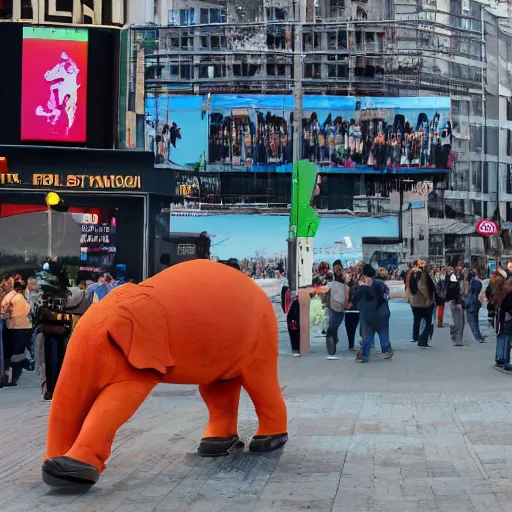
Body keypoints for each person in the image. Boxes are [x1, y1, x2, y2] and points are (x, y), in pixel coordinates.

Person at [356, 264, 392, 363]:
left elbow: (357, 299)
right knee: (383, 332)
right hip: (382, 313)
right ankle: (386, 350)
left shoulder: (362, 287)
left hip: (369, 314)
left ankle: (364, 355)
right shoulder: (380, 284)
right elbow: (386, 297)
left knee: (368, 335)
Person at [1, 281, 33, 386]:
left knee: (9, 353)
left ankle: (7, 375)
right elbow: (27, 311)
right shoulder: (19, 298)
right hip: (21, 327)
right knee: (18, 354)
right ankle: (13, 377)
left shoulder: (8, 296)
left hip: (9, 327)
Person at [407, 259, 436, 348]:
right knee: (428, 322)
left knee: (417, 319)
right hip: (422, 301)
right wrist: (428, 298)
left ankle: (416, 337)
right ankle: (423, 340)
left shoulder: (411, 273)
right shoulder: (422, 273)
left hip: (414, 301)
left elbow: (408, 286)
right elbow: (422, 286)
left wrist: (409, 298)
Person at [324, 260, 349, 360]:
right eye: (335, 269)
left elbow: (349, 287)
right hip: (333, 305)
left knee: (334, 326)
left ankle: (333, 340)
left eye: (338, 268)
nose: (336, 270)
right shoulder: (332, 279)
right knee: (332, 327)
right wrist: (327, 303)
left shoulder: (345, 277)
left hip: (341, 306)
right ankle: (331, 351)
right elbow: (327, 293)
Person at [445, 268, 465, 347]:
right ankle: (458, 340)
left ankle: (454, 337)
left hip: (450, 304)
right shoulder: (455, 284)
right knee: (459, 323)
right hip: (456, 304)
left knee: (453, 322)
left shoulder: (448, 283)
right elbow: (456, 294)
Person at [464, 270, 484, 343]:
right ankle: (479, 336)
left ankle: (477, 337)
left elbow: (469, 295)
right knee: (475, 320)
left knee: (472, 321)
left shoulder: (470, 283)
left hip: (471, 304)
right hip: (476, 304)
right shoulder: (477, 282)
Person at [344, 270, 360, 352]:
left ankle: (351, 344)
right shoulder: (357, 287)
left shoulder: (348, 287)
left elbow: (347, 298)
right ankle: (351, 345)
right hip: (355, 310)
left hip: (351, 311)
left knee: (350, 329)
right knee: (352, 328)